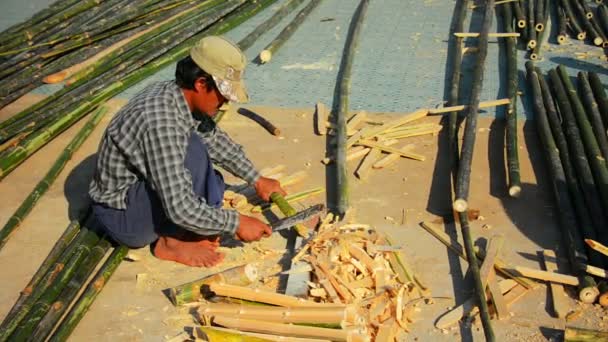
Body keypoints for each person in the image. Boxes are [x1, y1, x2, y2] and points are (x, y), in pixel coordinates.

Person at [89, 36, 286, 267]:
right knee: (198, 190)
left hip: (144, 186)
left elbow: (214, 140)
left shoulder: (177, 96)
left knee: (200, 156)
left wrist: (257, 179)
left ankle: (188, 226)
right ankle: (170, 242)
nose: (225, 103)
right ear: (201, 84)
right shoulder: (160, 122)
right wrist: (236, 223)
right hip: (123, 215)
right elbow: (180, 207)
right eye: (223, 95)